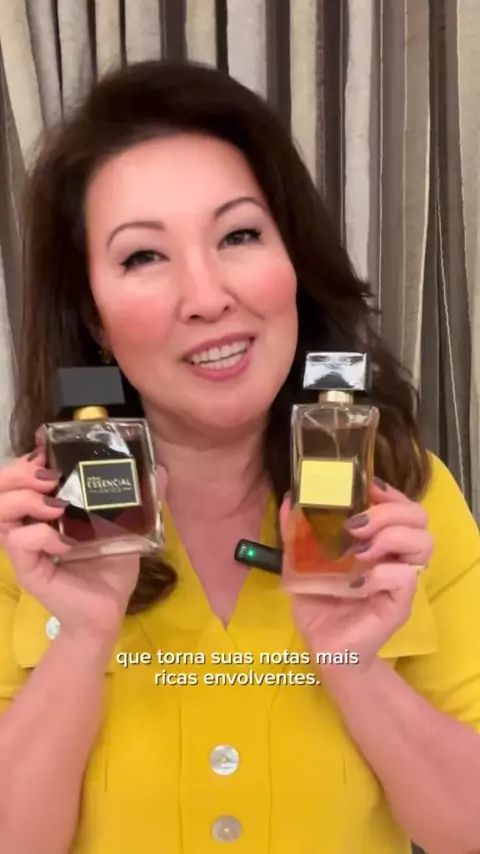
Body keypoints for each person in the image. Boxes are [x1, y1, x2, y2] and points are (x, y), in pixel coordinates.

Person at [0, 59, 479, 854]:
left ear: (294, 262)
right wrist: (79, 638)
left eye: (239, 235)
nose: (208, 296)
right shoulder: (30, 530)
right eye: (143, 256)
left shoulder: (404, 499)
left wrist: (354, 663)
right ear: (94, 316)